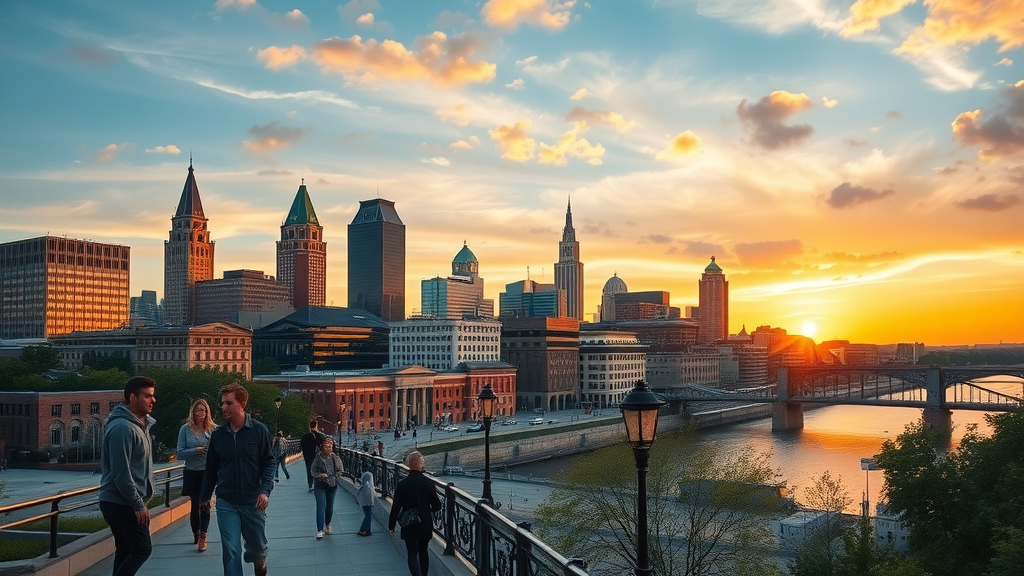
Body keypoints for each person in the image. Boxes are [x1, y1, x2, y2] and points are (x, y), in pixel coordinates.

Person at [200, 384, 275, 576]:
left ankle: (260, 563)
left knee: (257, 550)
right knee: (231, 550)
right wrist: (205, 497)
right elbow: (211, 469)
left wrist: (265, 491)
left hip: (253, 500)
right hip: (227, 501)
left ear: (241, 404)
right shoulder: (218, 435)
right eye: (222, 403)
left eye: (228, 403)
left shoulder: (259, 430)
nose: (223, 407)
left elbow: (269, 462)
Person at [98, 376, 157, 576]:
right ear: (133, 397)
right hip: (120, 502)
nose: (153, 400)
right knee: (142, 549)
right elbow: (121, 473)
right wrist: (138, 504)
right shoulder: (123, 428)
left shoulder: (139, 425)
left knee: (126, 550)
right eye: (148, 396)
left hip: (123, 502)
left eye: (153, 396)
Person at [388, 451, 441, 576]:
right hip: (424, 523)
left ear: (408, 466)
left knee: (412, 553)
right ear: (421, 465)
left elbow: (396, 507)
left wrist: (391, 525)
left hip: (409, 523)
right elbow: (437, 506)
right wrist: (426, 510)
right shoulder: (428, 483)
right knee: (423, 550)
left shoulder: (403, 484)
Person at [176, 398, 214, 552]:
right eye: (198, 410)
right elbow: (179, 452)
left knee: (205, 503)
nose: (201, 413)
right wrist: (194, 451)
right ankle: (196, 534)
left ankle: (203, 537)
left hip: (207, 471)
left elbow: (218, 451)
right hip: (191, 471)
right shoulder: (185, 429)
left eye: (204, 411)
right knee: (195, 504)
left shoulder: (212, 429)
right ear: (193, 412)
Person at [310, 436, 344, 539]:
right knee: (321, 506)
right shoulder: (318, 457)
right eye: (326, 446)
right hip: (320, 485)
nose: (327, 448)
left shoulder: (335, 458)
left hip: (332, 485)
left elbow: (340, 471)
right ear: (322, 447)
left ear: (332, 447)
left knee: (329, 507)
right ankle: (320, 530)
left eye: (329, 446)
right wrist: (318, 476)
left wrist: (329, 476)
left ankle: (327, 524)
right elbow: (312, 470)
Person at [300, 420, 325, 493]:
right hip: (317, 456)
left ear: (309, 426)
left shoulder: (305, 436)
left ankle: (310, 485)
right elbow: (322, 446)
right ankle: (317, 484)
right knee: (318, 470)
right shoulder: (319, 436)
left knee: (309, 470)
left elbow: (301, 446)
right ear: (316, 426)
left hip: (308, 456)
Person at [356, 470, 376, 536]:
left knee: (367, 514)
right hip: (367, 503)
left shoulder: (363, 486)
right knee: (368, 514)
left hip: (364, 503)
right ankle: (363, 529)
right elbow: (369, 496)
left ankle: (367, 530)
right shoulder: (368, 487)